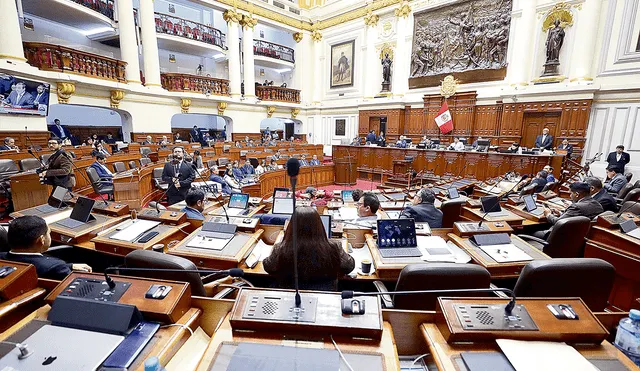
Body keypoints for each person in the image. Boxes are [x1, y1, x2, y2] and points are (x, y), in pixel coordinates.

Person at [263, 207, 355, 291]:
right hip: (325, 296)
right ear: (319, 225)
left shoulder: (281, 248)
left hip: (290, 296)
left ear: (291, 226)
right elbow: (349, 266)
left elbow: (268, 267)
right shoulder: (334, 246)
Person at [0, 216, 92, 280]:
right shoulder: (56, 267)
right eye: (49, 233)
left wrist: (70, 266)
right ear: (41, 240)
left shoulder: (1, 258)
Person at [537, 182, 604, 239]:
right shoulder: (598, 205)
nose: (570, 196)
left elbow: (558, 222)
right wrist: (560, 213)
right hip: (579, 236)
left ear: (577, 194)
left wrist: (548, 214)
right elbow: (577, 217)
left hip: (561, 236)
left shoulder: (576, 206)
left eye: (571, 193)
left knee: (529, 231)